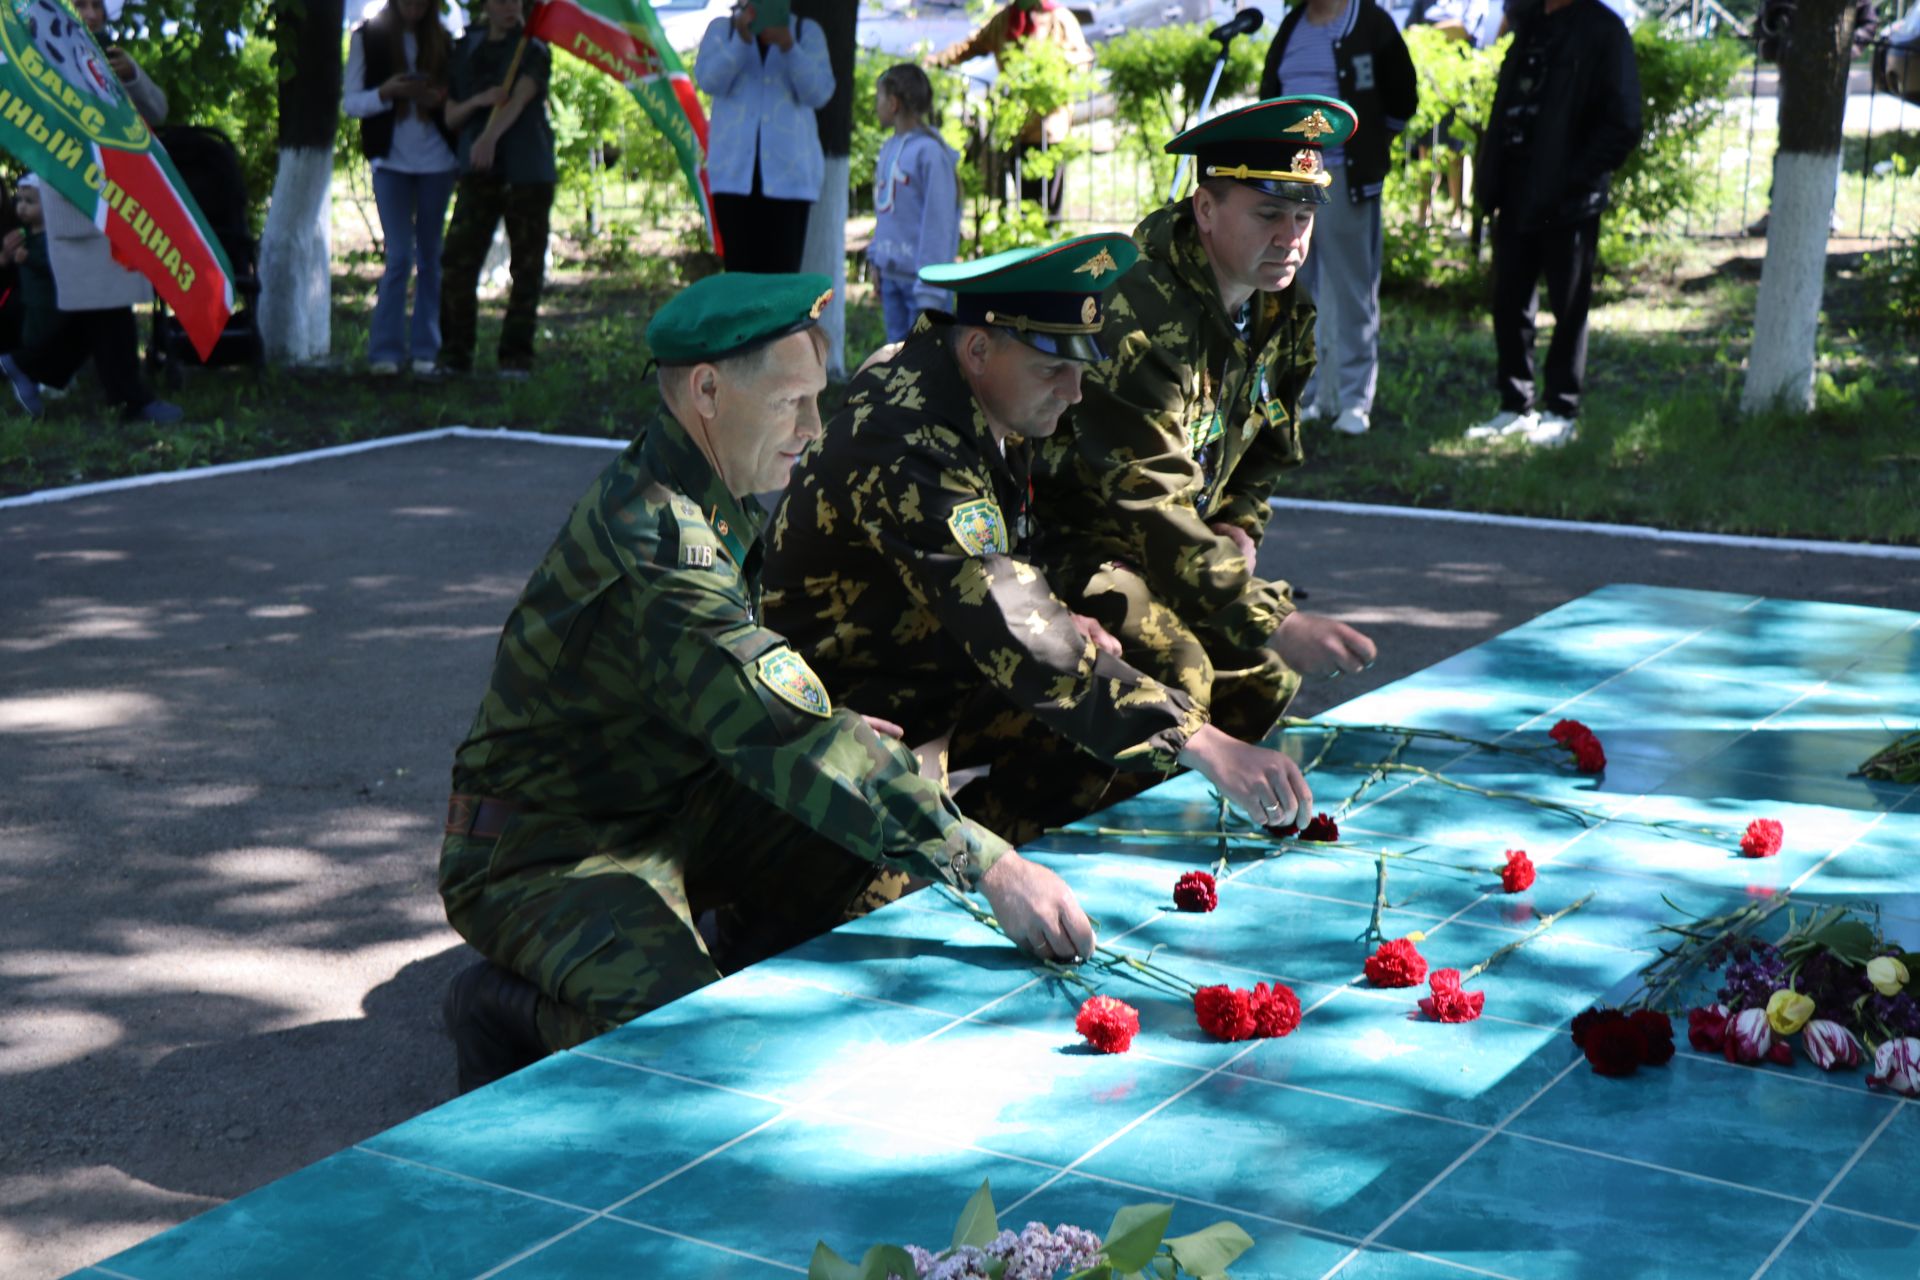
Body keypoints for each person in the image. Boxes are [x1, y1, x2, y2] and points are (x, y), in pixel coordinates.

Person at [438, 273, 1096, 1093]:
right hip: (550, 849)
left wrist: (840, 733)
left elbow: (751, 704)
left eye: (818, 400)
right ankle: (504, 1009)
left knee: (850, 829)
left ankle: (730, 952)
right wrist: (997, 869)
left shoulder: (713, 488)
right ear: (708, 391)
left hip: (671, 804)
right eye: (793, 403)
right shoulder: (655, 544)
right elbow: (786, 733)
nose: (814, 430)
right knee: (695, 1058)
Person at [764, 235, 1316, 845]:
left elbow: (1004, 567)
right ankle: (954, 863)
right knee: (863, 903)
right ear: (978, 348)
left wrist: (1068, 617)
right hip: (833, 708)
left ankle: (1003, 849)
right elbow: (1012, 624)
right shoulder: (913, 440)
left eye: (1082, 367)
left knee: (1126, 688)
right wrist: (1204, 744)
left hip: (931, 663)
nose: (1075, 392)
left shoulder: (987, 397)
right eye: (1054, 367)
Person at [1031, 98, 1379, 749]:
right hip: (1068, 544)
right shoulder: (1137, 310)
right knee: (1180, 670)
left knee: (1263, 676)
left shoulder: (1280, 310)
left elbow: (1268, 451)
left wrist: (1239, 525)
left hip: (1178, 549)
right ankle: (1053, 816)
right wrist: (1273, 618)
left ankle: (1201, 801)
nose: (1292, 237)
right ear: (1206, 210)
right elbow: (1150, 504)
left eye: (1304, 216)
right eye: (1270, 213)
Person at [1464, 0, 1640, 449]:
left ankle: (1562, 408)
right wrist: (1490, 180)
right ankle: (1514, 405)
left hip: (1569, 200)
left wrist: (1575, 178)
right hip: (1517, 191)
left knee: (1569, 306)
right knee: (1509, 303)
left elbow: (1623, 121)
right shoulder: (1530, 25)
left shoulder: (1604, 30)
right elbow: (1508, 104)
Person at [0, 0, 182, 424]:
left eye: (97, 6)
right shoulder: (37, 59)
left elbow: (157, 113)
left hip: (121, 198)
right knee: (104, 301)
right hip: (74, 195)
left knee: (103, 304)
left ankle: (32, 367)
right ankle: (130, 398)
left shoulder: (114, 58)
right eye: (81, 5)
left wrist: (132, 78)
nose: (91, 14)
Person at [1258, 0, 1415, 438]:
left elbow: (1403, 95)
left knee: (1352, 289)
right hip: (1292, 180)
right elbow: (1270, 97)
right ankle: (1311, 395)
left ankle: (1352, 401)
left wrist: (1370, 149)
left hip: (1346, 177)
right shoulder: (1292, 26)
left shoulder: (1371, 23)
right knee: (1299, 287)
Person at [436, 0, 557, 379]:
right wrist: (477, 111)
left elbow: (519, 97)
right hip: (478, 171)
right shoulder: (465, 47)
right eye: (500, 0)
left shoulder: (534, 46)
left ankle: (515, 355)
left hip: (527, 170)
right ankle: (455, 354)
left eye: (515, 1)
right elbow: (451, 110)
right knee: (457, 260)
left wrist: (489, 137)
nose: (509, 8)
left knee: (527, 265)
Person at [345, 0, 459, 377]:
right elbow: (351, 103)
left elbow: (457, 102)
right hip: (389, 162)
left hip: (438, 162)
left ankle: (427, 350)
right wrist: (387, 93)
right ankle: (385, 353)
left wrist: (435, 99)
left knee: (431, 257)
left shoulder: (446, 40)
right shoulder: (367, 36)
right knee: (398, 258)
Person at [696, 0, 835, 274]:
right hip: (733, 178)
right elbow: (709, 81)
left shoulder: (807, 32)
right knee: (740, 275)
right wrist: (740, 42)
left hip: (790, 179)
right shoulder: (721, 30)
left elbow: (819, 93)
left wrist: (789, 46)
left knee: (782, 277)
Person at [929, 0, 1092, 219]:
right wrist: (938, 60)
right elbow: (973, 45)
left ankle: (1052, 245)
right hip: (1016, 126)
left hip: (1049, 127)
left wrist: (1053, 64)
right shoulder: (1005, 20)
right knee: (1025, 202)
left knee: (1049, 206)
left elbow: (1083, 57)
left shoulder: (1059, 18)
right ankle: (1029, 244)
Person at [870, 64, 960, 344]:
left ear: (893, 103)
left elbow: (939, 222)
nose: (876, 105)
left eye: (879, 97)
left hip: (921, 287)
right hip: (892, 279)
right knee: (896, 361)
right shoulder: (887, 149)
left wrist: (931, 289)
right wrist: (876, 261)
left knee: (925, 367)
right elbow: (885, 215)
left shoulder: (931, 154)